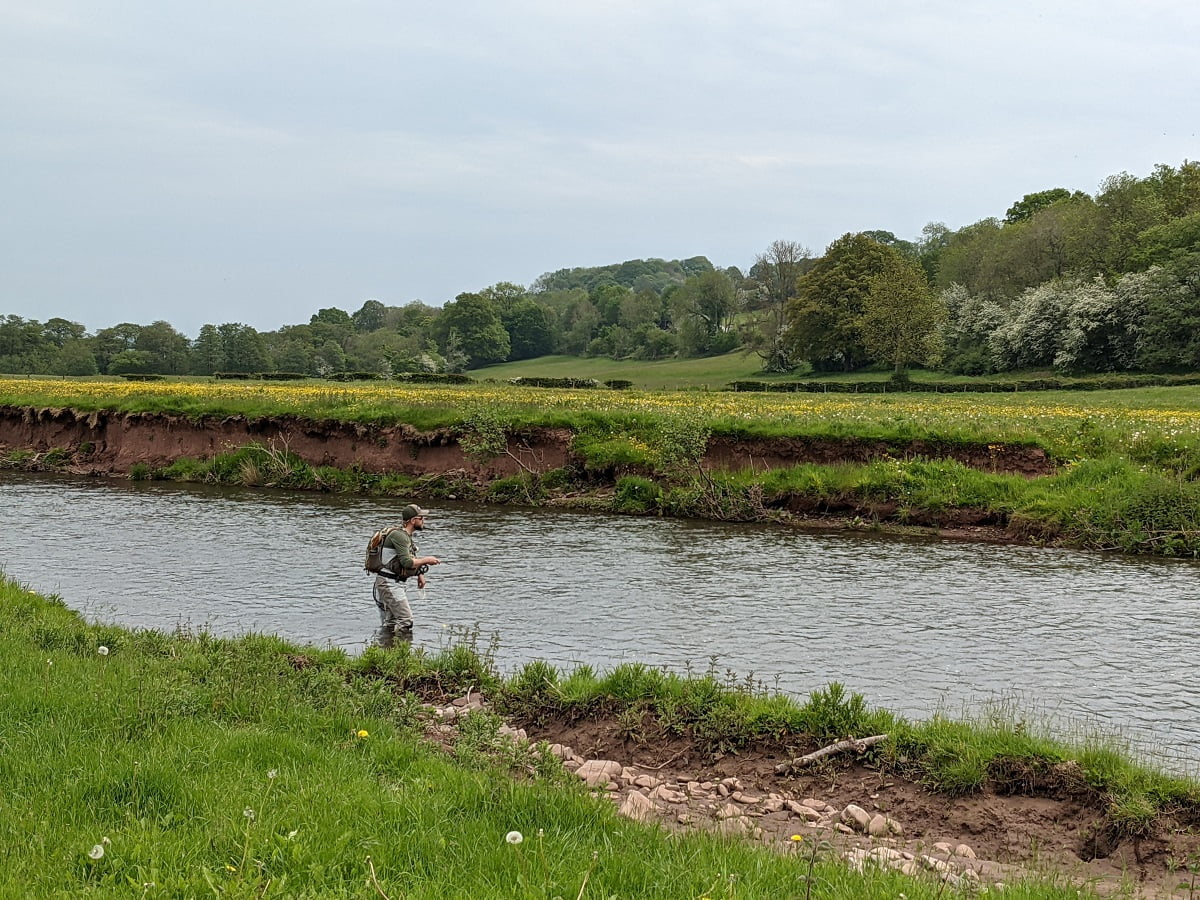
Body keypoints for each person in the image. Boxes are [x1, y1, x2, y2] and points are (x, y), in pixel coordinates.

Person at [372, 503, 440, 644]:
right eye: (421, 518)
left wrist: (420, 574)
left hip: (391, 582)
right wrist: (428, 560)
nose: (424, 521)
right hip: (389, 583)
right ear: (413, 520)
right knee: (406, 620)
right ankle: (403, 655)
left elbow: (410, 557)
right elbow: (407, 562)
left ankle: (386, 652)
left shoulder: (404, 536)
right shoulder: (400, 536)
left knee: (390, 622)